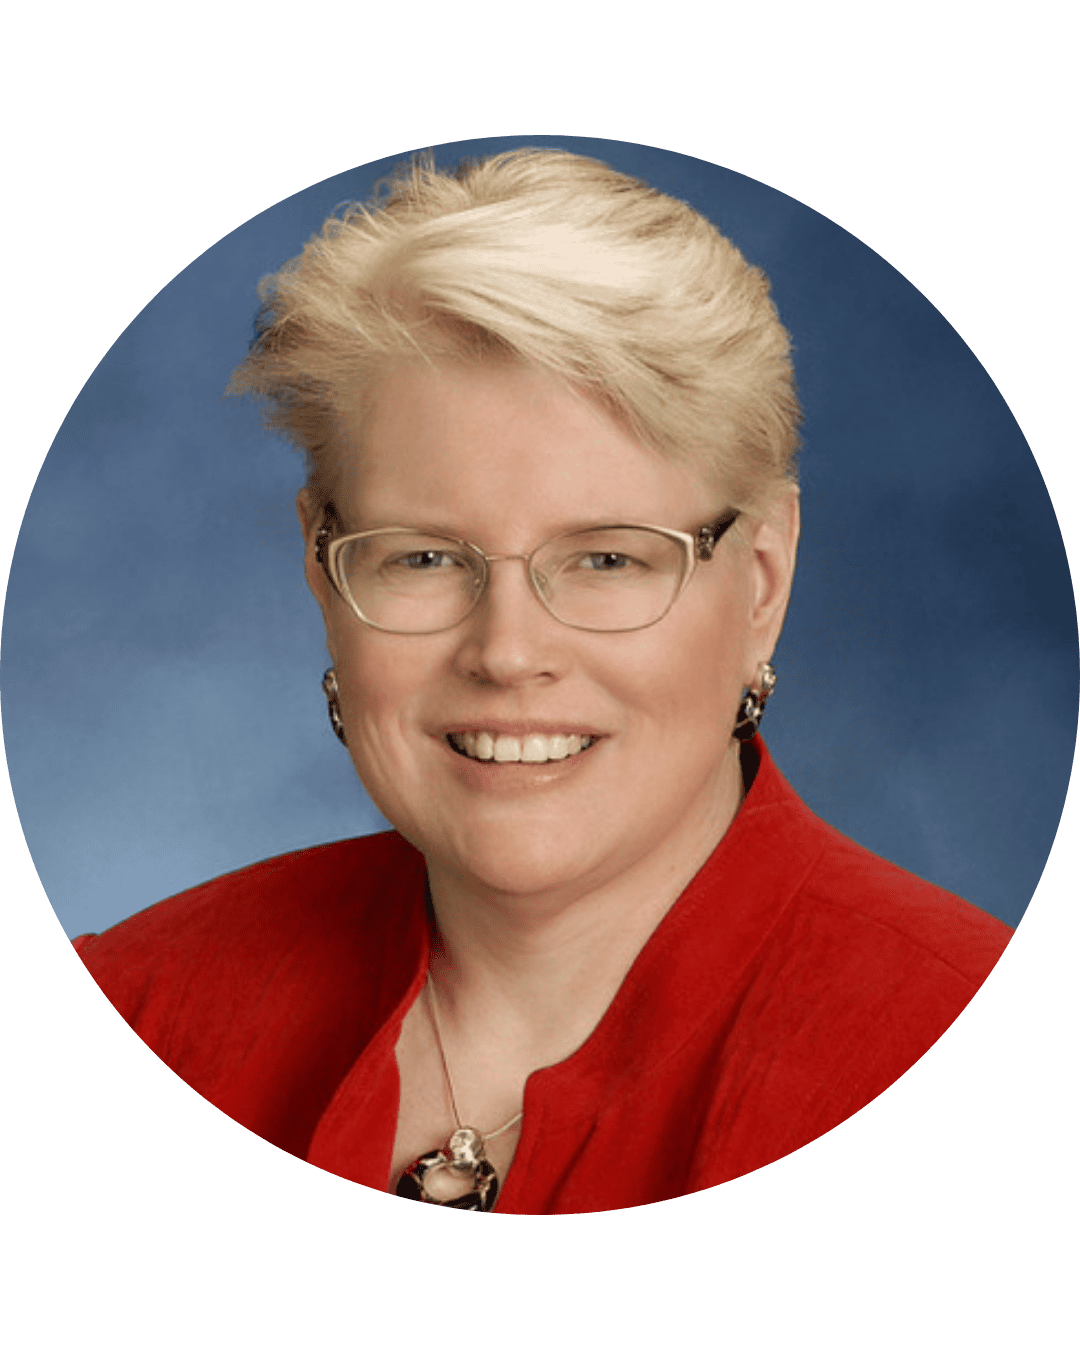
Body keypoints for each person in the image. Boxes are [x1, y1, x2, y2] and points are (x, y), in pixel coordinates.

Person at [70, 148, 1013, 1213]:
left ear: (760, 582)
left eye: (607, 558)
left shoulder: (931, 1021)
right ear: (322, 571)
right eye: (424, 557)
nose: (509, 652)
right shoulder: (142, 1002)